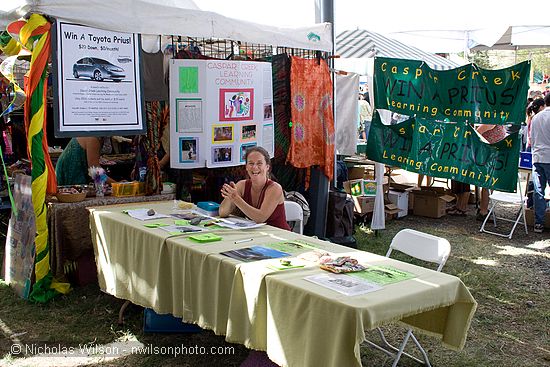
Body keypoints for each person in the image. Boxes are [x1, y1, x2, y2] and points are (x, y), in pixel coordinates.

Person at [219, 146, 290, 230]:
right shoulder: (241, 185)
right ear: (246, 167)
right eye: (251, 163)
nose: (255, 167)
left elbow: (260, 218)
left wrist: (235, 198)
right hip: (257, 234)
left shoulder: (275, 188)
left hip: (280, 235)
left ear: (267, 167)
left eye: (259, 163)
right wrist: (229, 196)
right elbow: (222, 212)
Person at [475, 124, 508, 221]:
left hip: (494, 156)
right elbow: (477, 132)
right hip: (489, 155)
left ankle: (483, 208)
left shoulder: (498, 121)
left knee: (489, 184)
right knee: (488, 184)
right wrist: (488, 146)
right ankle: (483, 211)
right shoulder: (492, 121)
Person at [530, 93, 550, 233]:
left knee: (538, 191)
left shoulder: (536, 117)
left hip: (537, 157)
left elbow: (532, 138)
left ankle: (538, 222)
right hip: (548, 156)